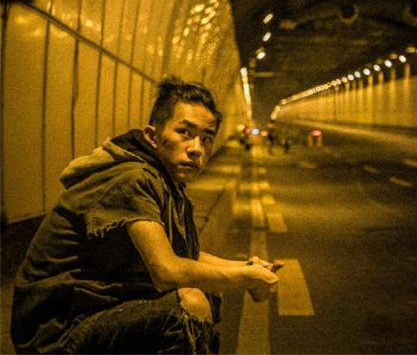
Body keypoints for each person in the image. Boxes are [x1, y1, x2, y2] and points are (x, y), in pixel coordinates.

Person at [11, 76, 281, 354]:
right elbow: (167, 270)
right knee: (189, 305)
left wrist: (244, 267)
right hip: (56, 330)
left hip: (92, 310)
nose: (196, 148)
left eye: (206, 138)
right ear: (152, 136)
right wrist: (245, 278)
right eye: (184, 132)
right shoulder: (132, 178)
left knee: (203, 292)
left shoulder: (167, 183)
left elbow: (183, 254)